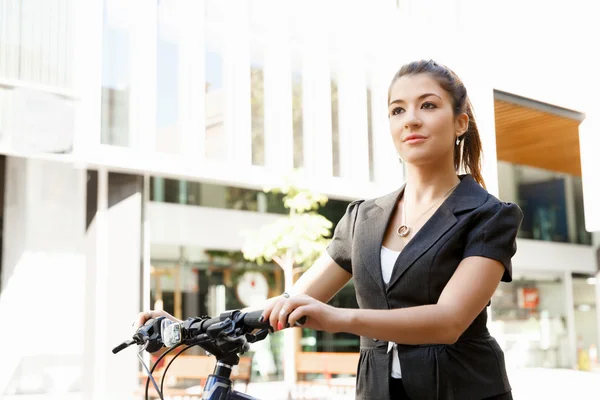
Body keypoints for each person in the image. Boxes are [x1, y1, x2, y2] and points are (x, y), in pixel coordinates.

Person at [135, 59, 523, 400]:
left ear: (460, 122)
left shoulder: (488, 215)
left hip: (464, 390)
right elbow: (290, 302)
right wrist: (188, 328)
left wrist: (337, 318)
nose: (411, 119)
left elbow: (449, 321)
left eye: (428, 105)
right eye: (397, 110)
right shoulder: (363, 218)